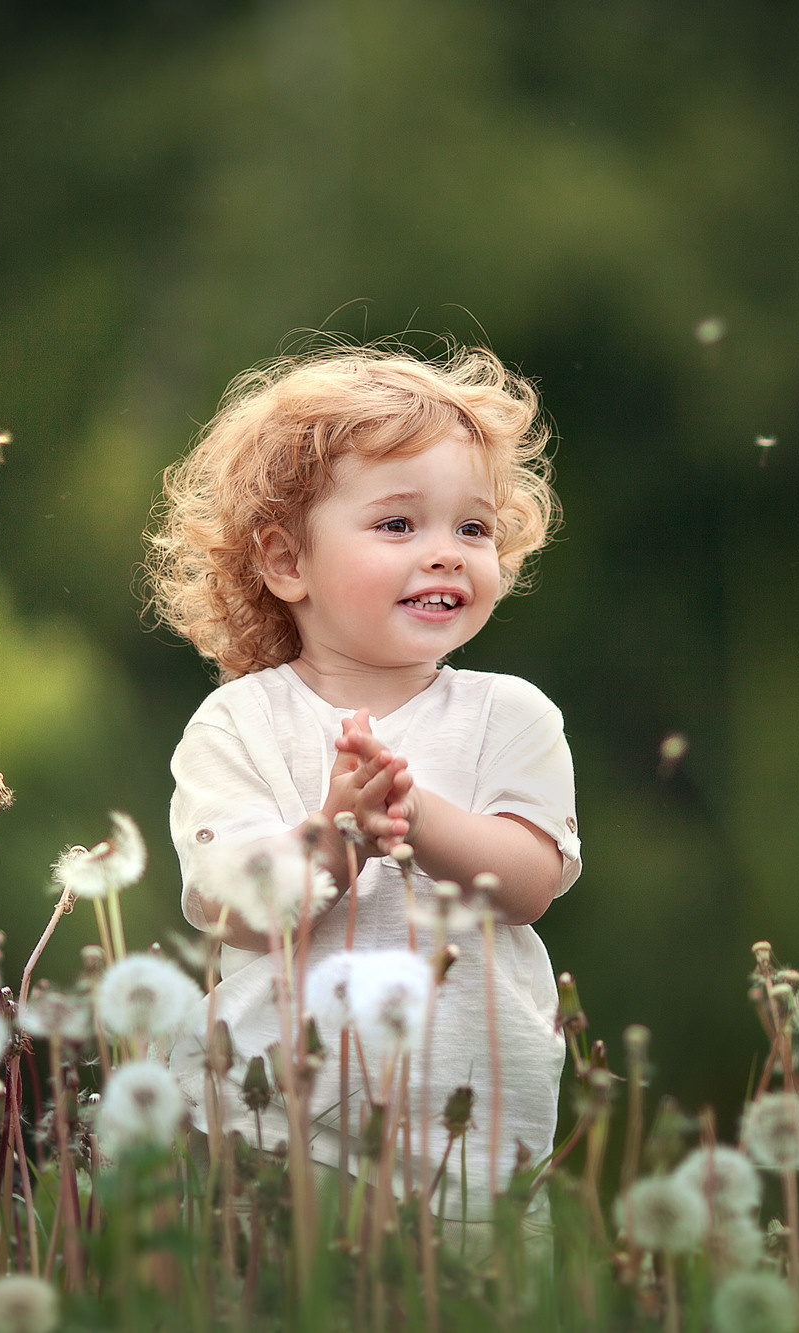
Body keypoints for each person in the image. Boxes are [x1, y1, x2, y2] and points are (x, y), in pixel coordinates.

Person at [146, 344, 581, 1232]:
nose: (446, 554)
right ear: (287, 563)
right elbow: (231, 907)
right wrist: (336, 837)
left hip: (472, 1141)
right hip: (276, 1127)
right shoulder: (239, 724)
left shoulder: (512, 715)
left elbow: (530, 882)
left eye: (473, 529)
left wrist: (417, 816)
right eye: (398, 524)